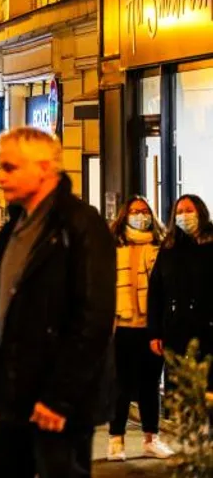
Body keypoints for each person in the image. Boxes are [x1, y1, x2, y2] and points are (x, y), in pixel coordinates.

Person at [0, 128, 114, 478]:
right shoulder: (18, 224)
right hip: (18, 393)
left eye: (10, 167)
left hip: (57, 401)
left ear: (44, 168)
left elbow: (93, 318)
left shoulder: (79, 225)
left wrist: (60, 396)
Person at [107, 195, 173, 461]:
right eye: (135, 211)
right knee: (120, 385)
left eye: (145, 211)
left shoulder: (162, 245)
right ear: (125, 215)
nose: (140, 216)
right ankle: (115, 440)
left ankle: (151, 438)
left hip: (151, 326)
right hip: (120, 325)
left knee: (149, 384)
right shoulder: (112, 244)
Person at [148, 194, 213, 421]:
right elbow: (156, 291)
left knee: (208, 387)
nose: (184, 216)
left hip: (207, 330)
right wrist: (154, 332)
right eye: (180, 211)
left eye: (189, 210)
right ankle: (183, 435)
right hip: (175, 330)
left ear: (201, 213)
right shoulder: (169, 247)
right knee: (179, 388)